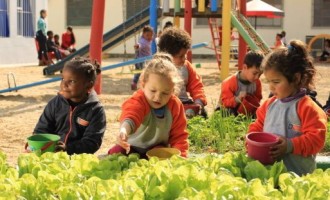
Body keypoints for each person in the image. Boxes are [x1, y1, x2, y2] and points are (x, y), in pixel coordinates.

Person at [248, 40, 327, 176]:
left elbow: (316, 140)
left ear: (296, 78)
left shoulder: (307, 108)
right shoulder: (268, 105)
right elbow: (257, 127)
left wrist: (290, 145)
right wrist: (251, 142)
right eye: (269, 82)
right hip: (270, 174)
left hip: (298, 177)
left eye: (276, 82)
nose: (271, 87)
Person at [108, 53, 189, 158]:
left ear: (173, 91)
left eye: (165, 93)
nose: (158, 97)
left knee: (162, 153)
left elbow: (179, 136)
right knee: (117, 152)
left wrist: (181, 156)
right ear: (143, 84)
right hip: (131, 146)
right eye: (153, 90)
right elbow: (131, 115)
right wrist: (124, 130)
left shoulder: (175, 106)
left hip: (156, 149)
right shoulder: (139, 100)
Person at [34, 57, 106, 155]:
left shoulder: (96, 110)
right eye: (63, 79)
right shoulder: (55, 104)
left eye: (71, 81)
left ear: (88, 86)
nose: (64, 84)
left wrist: (68, 149)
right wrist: (40, 143)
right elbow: (41, 130)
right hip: (51, 156)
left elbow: (92, 142)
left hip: (78, 160)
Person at [158, 27, 208, 118]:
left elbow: (196, 85)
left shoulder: (186, 66)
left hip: (184, 103)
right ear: (167, 56)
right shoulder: (158, 69)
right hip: (165, 105)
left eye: (185, 55)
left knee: (203, 114)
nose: (184, 58)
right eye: (180, 56)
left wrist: (199, 101)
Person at [217, 50, 264, 116]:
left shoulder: (257, 83)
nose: (257, 77)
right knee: (229, 113)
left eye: (260, 74)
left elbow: (258, 98)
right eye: (255, 73)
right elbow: (225, 102)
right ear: (245, 67)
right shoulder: (230, 82)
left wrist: (252, 100)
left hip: (245, 111)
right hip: (227, 109)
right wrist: (237, 99)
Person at [131, 25, 154, 91]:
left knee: (138, 73)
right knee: (144, 73)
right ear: (143, 34)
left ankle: (134, 83)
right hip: (142, 60)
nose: (149, 37)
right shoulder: (143, 41)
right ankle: (143, 85)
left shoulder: (146, 40)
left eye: (151, 35)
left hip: (139, 59)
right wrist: (137, 46)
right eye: (147, 35)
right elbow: (140, 44)